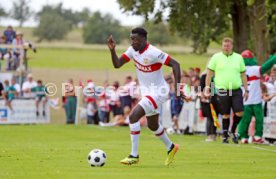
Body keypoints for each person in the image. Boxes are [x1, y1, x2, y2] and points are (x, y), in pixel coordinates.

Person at [107, 27, 181, 166]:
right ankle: (171, 147)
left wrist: (177, 88)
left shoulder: (153, 52)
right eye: (131, 39)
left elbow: (175, 64)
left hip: (159, 91)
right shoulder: (132, 51)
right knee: (153, 125)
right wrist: (112, 50)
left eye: (135, 39)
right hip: (147, 93)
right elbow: (117, 64)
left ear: (144, 39)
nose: (132, 42)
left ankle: (134, 155)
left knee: (133, 116)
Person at [204, 37, 249, 144]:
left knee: (240, 112)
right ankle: (225, 136)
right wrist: (207, 87)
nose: (226, 47)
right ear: (222, 46)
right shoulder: (216, 57)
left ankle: (233, 131)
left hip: (236, 89)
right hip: (222, 90)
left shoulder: (238, 58)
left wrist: (246, 89)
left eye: (228, 46)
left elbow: (243, 75)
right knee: (225, 114)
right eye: (224, 45)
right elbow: (209, 74)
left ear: (232, 46)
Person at [238, 50, 276, 144]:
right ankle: (257, 136)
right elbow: (267, 65)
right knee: (259, 119)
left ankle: (244, 136)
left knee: (245, 120)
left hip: (247, 100)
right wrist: (273, 58)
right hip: (254, 100)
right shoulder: (254, 69)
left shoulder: (238, 70)